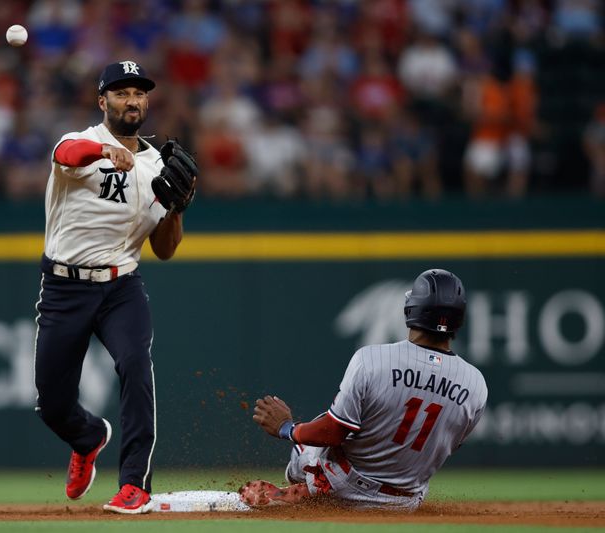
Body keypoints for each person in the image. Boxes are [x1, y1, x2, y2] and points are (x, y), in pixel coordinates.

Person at [33, 60, 196, 514]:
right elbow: (68, 157)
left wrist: (177, 209)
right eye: (122, 93)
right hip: (65, 287)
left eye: (139, 93)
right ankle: (88, 437)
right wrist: (105, 153)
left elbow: (165, 249)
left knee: (135, 365)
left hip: (122, 285)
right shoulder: (80, 141)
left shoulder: (157, 164)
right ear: (102, 101)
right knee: (52, 403)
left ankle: (135, 483)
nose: (132, 100)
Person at [241, 269, 487, 511]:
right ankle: (317, 491)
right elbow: (446, 443)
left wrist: (287, 428)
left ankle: (305, 491)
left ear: (412, 308)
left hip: (346, 486)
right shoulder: (476, 384)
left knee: (308, 442)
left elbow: (334, 432)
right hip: (405, 502)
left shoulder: (372, 359)